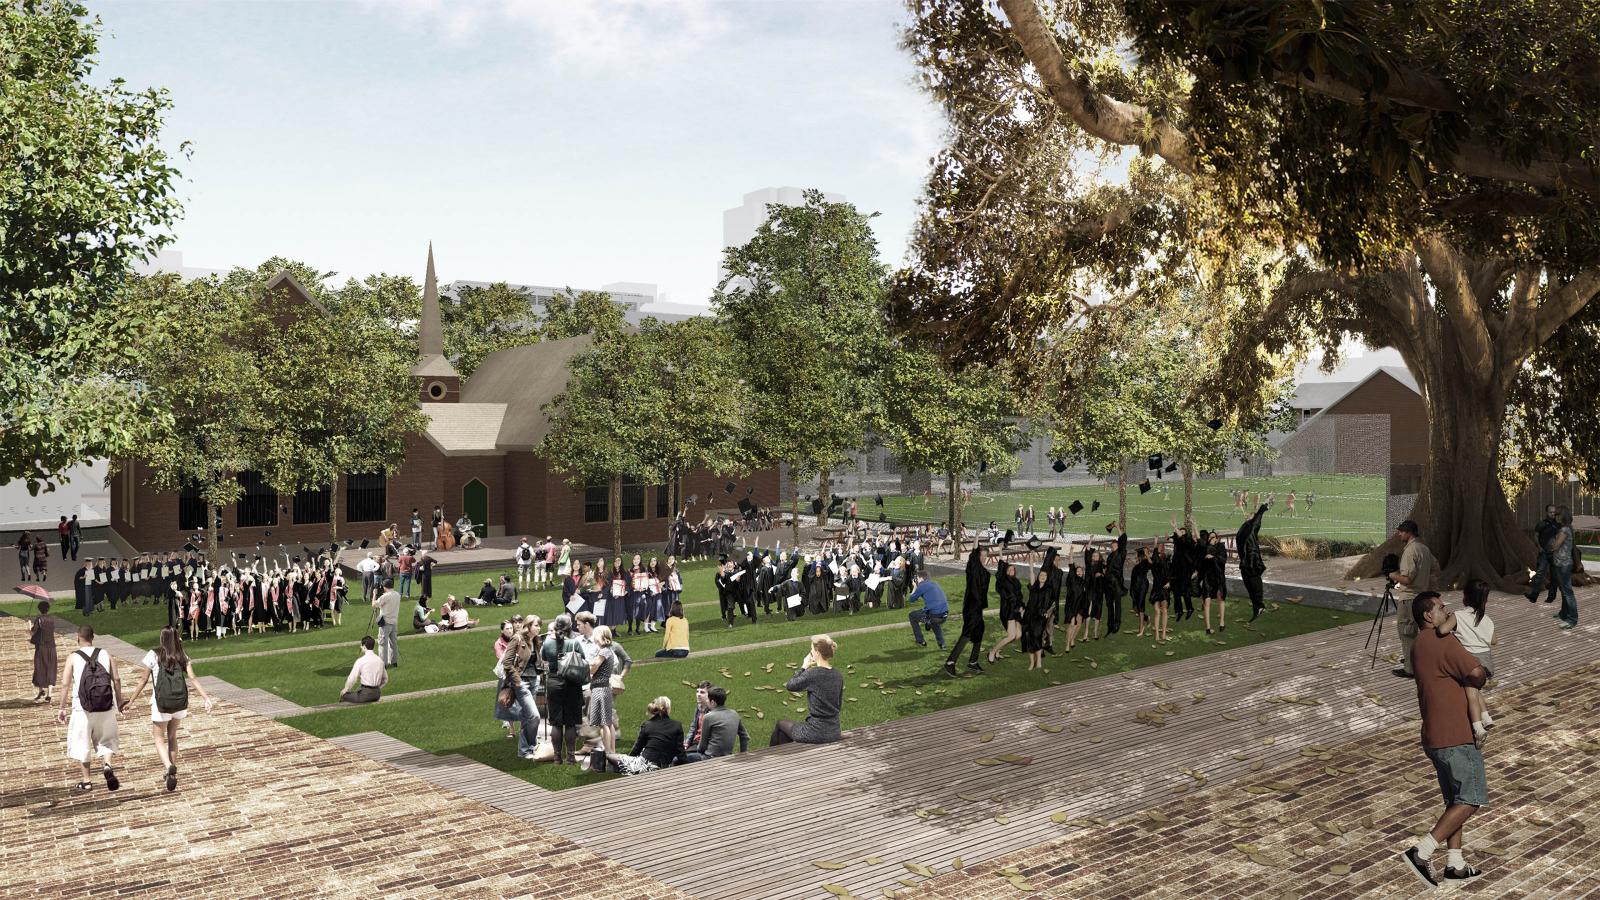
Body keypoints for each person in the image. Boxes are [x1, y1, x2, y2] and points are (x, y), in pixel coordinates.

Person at [1400, 591, 1489, 887]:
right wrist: (1480, 676)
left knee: (1454, 802)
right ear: (1428, 616)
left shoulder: (1419, 645)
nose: (1446, 610)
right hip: (1455, 735)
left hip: (1434, 737)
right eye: (1441, 608)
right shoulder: (1443, 642)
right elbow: (1475, 672)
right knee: (1470, 799)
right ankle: (1421, 852)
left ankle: (1456, 865)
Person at [119, 627, 215, 791]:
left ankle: (168, 766)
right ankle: (171, 773)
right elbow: (192, 677)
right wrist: (206, 698)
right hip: (179, 703)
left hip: (161, 703)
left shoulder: (153, 654)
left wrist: (131, 701)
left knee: (158, 737)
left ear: (162, 639)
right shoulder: (181, 655)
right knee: (172, 736)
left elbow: (143, 680)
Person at [56, 624, 125, 793]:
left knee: (83, 743)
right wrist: (119, 701)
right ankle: (107, 765)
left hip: (82, 708)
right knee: (107, 739)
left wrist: (62, 707)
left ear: (78, 637)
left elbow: (65, 684)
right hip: (106, 706)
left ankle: (87, 781)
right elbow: (116, 679)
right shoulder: (106, 654)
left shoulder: (73, 657)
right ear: (93, 637)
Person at [1435, 580, 1498, 740]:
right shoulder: (1486, 619)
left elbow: (1442, 630)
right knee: (1476, 689)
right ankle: (1486, 717)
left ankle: (1478, 728)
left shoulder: (1459, 616)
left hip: (1471, 663)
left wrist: (1449, 620)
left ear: (1465, 597)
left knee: (1470, 695)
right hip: (1487, 663)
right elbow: (1494, 640)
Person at [770, 635, 844, 747]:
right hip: (834, 731)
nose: (810, 652)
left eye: (811, 650)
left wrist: (804, 667)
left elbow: (790, 685)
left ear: (817, 652)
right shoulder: (838, 675)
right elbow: (838, 705)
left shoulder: (813, 674)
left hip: (816, 732)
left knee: (781, 725)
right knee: (790, 728)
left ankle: (774, 760)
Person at [1389, 520, 1436, 678]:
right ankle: (1417, 659)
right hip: (1423, 597)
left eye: (1401, 531)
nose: (1399, 534)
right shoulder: (1424, 548)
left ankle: (1410, 668)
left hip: (1409, 598)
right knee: (1420, 632)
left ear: (1409, 533)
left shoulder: (1410, 551)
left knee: (1407, 632)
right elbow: (1436, 567)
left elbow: (1407, 579)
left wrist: (1393, 576)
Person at [595, 696, 685, 775]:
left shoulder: (647, 725)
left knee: (610, 755)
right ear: (668, 709)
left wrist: (628, 760)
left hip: (645, 766)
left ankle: (599, 763)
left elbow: (637, 748)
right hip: (664, 766)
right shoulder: (677, 725)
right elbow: (680, 752)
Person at [540, 614, 586, 765]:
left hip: (553, 682)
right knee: (571, 723)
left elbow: (543, 659)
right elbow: (583, 660)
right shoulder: (574, 643)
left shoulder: (547, 643)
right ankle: (571, 757)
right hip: (572, 683)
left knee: (556, 723)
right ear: (569, 627)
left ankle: (557, 757)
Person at [944, 547, 989, 677]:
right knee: (967, 633)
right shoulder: (973, 569)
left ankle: (973, 662)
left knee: (979, 631)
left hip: (978, 607)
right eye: (981, 555)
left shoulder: (984, 572)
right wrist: (975, 537)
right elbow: (973, 556)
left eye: (986, 556)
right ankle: (950, 662)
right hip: (971, 607)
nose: (984, 558)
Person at [687, 686, 750, 761]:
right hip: (727, 756)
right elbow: (745, 736)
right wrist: (743, 754)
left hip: (709, 757)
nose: (706, 701)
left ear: (713, 702)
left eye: (707, 699)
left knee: (676, 759)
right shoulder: (734, 713)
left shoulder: (708, 717)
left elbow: (702, 747)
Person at [587, 625, 622, 756]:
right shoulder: (609, 650)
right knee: (608, 722)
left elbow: (593, 667)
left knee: (603, 724)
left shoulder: (603, 651)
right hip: (605, 687)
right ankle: (612, 751)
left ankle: (608, 752)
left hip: (600, 688)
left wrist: (588, 667)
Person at [1237, 496, 1271, 622]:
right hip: (1245, 563)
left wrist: (1266, 501)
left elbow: (1259, 514)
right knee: (1249, 586)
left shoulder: (1252, 526)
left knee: (1255, 584)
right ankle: (1257, 608)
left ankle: (1260, 605)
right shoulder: (1244, 527)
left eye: (1251, 515)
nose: (1248, 515)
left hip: (1252, 562)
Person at [1524, 504, 1561, 604]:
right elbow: (1535, 535)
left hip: (1554, 554)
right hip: (1544, 553)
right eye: (1550, 512)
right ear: (1546, 512)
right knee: (1540, 574)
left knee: (1554, 576)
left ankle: (1551, 597)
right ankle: (1533, 596)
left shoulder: (1558, 525)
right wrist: (1539, 547)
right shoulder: (1541, 524)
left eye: (1554, 512)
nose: (1552, 514)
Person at [988, 560, 1023, 664]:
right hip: (1008, 611)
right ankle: (992, 651)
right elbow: (1001, 567)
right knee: (1011, 636)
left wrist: (1021, 606)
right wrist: (1000, 551)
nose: (1012, 571)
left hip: (1017, 610)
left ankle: (998, 649)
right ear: (1006, 572)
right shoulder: (1003, 581)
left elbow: (1020, 597)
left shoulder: (1017, 582)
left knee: (1018, 635)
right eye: (1009, 569)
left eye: (1013, 569)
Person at [1550, 505, 1579, 630]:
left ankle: (1572, 619)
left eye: (1556, 514)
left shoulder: (1564, 530)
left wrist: (1551, 542)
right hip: (1561, 564)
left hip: (1564, 565)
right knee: (1563, 591)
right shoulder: (1567, 528)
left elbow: (1555, 546)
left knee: (1568, 592)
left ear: (1562, 516)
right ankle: (1563, 613)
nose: (1554, 516)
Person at [338, 635, 388, 704]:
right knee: (357, 692)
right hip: (377, 695)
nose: (360, 647)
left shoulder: (360, 661)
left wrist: (345, 689)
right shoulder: (380, 660)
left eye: (361, 645)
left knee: (344, 696)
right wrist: (376, 688)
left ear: (364, 646)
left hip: (365, 695)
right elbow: (385, 679)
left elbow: (352, 678)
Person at [907, 573, 949, 650]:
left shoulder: (921, 586)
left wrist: (915, 587)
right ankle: (942, 644)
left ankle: (920, 641)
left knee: (912, 615)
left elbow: (911, 600)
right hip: (944, 614)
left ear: (921, 578)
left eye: (917, 578)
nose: (916, 580)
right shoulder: (934, 583)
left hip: (934, 615)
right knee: (934, 621)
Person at [30, 600, 59, 703]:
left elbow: (34, 631)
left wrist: (30, 628)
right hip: (52, 647)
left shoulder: (39, 619)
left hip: (41, 648)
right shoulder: (52, 619)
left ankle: (41, 690)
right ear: (48, 609)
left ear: (39, 609)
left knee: (40, 668)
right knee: (50, 668)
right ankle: (49, 694)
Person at [372, 578, 402, 668]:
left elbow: (374, 604)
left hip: (385, 623)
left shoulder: (385, 596)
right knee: (393, 643)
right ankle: (394, 661)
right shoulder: (397, 595)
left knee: (382, 644)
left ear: (385, 587)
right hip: (394, 622)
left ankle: (383, 664)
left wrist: (374, 594)